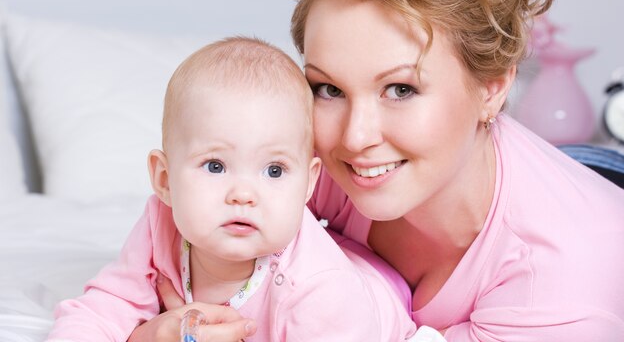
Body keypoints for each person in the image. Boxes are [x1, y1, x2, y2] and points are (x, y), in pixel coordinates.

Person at [134, 0, 624, 341]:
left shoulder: (560, 287)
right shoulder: (319, 155)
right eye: (328, 87)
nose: (355, 137)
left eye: (400, 88)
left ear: (492, 88)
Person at [45, 37, 419, 341]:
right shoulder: (161, 223)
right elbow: (108, 305)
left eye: (274, 170)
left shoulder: (320, 288)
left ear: (308, 183)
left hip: (379, 295)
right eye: (216, 166)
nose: (243, 194)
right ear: (165, 180)